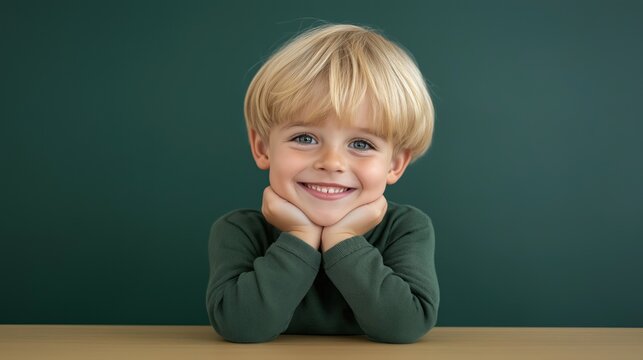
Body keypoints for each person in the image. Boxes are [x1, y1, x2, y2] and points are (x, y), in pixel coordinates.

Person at [206, 22, 439, 344]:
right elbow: (240, 327)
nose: (331, 162)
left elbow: (405, 326)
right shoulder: (239, 230)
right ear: (262, 148)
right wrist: (300, 237)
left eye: (361, 144)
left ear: (395, 164)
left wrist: (342, 239)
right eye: (305, 137)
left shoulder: (407, 227)